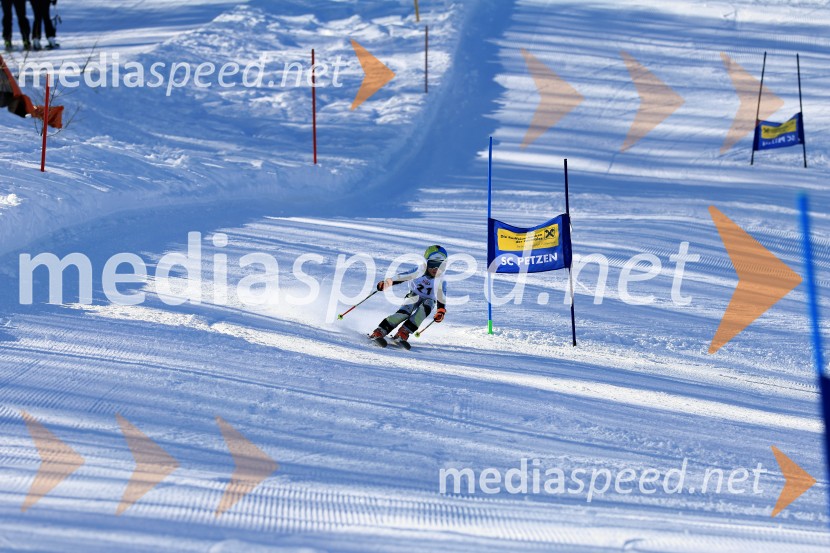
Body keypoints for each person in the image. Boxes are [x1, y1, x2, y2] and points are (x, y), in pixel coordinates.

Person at [368, 245, 448, 348]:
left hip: (429, 300)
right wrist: (387, 283)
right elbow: (402, 277)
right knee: (404, 313)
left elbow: (441, 296)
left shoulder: (441, 280)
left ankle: (403, 332)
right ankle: (380, 331)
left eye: (440, 265)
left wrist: (441, 311)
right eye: (432, 264)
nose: (436, 269)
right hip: (414, 295)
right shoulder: (419, 271)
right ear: (426, 263)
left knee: (424, 309)